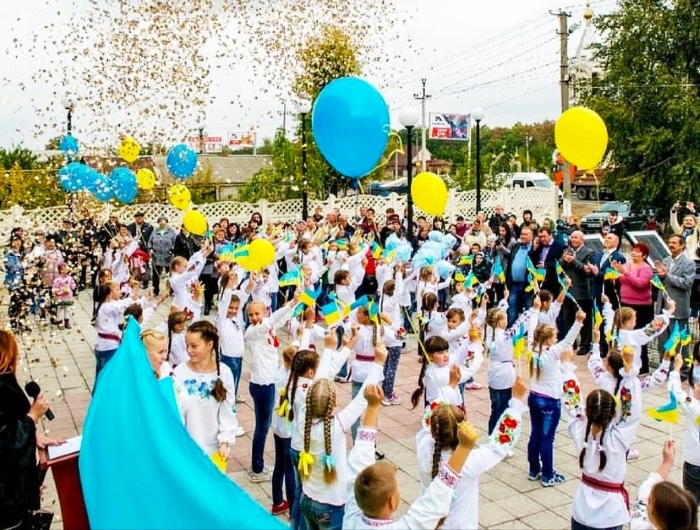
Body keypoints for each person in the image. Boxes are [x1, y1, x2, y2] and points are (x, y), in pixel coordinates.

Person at [342, 384, 478, 529]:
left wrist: (373, 406)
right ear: (392, 501)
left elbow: (360, 459)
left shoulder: (352, 516)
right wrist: (463, 448)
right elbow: (435, 499)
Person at [0, 330, 64, 530]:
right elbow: (6, 440)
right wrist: (33, 417)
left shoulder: (6, 382)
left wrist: (35, 436)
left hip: (14, 490)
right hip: (5, 500)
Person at [173, 320, 238, 460]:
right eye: (187, 345)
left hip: (214, 452)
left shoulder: (225, 373)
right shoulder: (178, 373)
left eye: (194, 346)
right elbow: (175, 414)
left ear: (210, 345)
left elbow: (228, 412)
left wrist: (225, 442)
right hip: (186, 451)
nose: (189, 350)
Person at [630, 440, 698, 530]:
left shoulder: (640, 526)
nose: (646, 501)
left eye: (649, 502)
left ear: (657, 518)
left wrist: (667, 463)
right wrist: (667, 462)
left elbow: (646, 489)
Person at [656, 234, 696, 374]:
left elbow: (686, 283)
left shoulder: (689, 263)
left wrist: (667, 276)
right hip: (664, 308)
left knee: (679, 343)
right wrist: (658, 277)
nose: (671, 245)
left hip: (678, 309)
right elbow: (662, 282)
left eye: (674, 243)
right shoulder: (665, 260)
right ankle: (665, 368)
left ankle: (683, 370)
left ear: (682, 245)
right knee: (663, 342)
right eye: (669, 242)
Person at [614, 243, 654, 373]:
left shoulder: (646, 268)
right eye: (633, 251)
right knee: (626, 334)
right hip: (626, 303)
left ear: (644, 255)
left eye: (637, 251)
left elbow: (641, 283)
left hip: (641, 306)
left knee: (639, 336)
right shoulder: (627, 265)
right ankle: (627, 361)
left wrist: (626, 273)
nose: (634, 253)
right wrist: (616, 273)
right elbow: (622, 280)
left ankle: (643, 366)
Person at [560, 231, 595, 355]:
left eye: (576, 237)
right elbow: (560, 266)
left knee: (584, 320)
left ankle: (585, 344)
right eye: (572, 237)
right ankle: (570, 342)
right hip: (567, 290)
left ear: (582, 239)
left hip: (582, 291)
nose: (573, 239)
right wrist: (564, 260)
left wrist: (574, 261)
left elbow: (587, 270)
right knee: (567, 319)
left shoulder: (589, 252)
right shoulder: (567, 250)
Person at [148, 216, 176, 297]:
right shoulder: (155, 231)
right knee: (156, 275)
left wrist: (171, 251)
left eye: (163, 221)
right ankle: (155, 290)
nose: (162, 223)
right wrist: (150, 249)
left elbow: (175, 242)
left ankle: (170, 290)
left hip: (168, 257)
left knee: (169, 275)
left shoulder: (171, 231)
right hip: (156, 256)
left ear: (166, 223)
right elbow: (150, 242)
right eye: (160, 221)